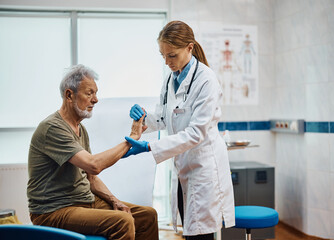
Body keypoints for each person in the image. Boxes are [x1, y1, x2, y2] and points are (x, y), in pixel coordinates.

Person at [125, 21, 235, 240]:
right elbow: (166, 117)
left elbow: (196, 133)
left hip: (204, 170)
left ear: (190, 48)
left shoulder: (206, 80)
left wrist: (149, 146)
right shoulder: (170, 79)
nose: (167, 62)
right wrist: (144, 117)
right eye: (163, 56)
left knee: (200, 235)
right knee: (189, 230)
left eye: (172, 55)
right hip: (183, 168)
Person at [27, 64, 158, 240]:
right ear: (69, 95)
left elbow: (91, 177)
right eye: (89, 93)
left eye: (96, 93)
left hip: (85, 202)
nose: (95, 99)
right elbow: (94, 165)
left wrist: (114, 200)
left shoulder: (80, 129)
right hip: (53, 211)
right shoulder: (52, 128)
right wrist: (131, 139)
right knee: (123, 221)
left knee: (147, 216)